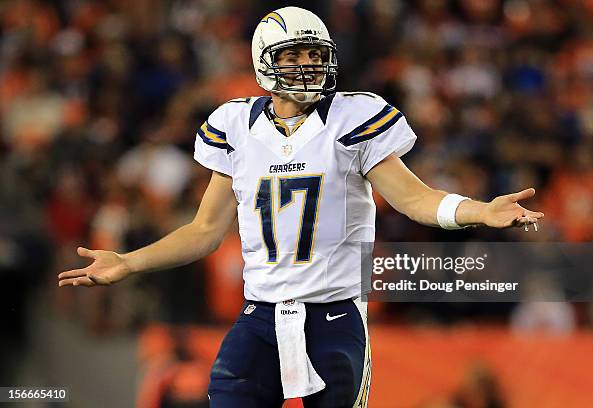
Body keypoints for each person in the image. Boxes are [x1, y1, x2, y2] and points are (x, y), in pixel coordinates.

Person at [58, 7, 543, 407]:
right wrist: (128, 261)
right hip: (259, 317)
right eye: (294, 54)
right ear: (264, 61)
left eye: (315, 53)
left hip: (334, 317)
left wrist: (480, 210)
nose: (308, 65)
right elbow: (204, 230)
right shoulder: (235, 126)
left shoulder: (351, 118)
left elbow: (415, 197)